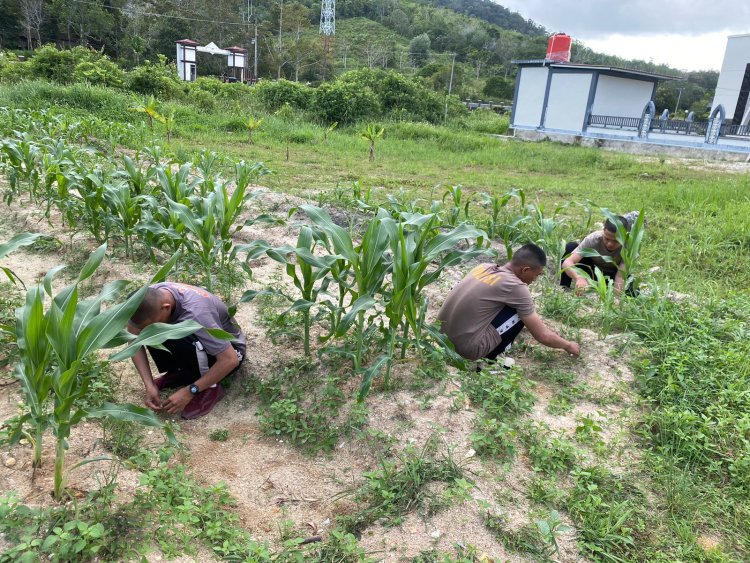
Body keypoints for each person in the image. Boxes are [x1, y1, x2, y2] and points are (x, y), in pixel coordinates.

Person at [437, 244, 580, 364]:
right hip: (465, 350)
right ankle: (490, 361)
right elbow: (542, 335)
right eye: (537, 275)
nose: (535, 279)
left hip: (439, 337)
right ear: (525, 270)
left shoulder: (484, 267)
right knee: (521, 313)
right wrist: (568, 345)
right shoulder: (515, 287)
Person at [128, 282, 246, 420]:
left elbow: (230, 360)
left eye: (152, 324)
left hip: (229, 351)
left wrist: (190, 391)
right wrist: (149, 384)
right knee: (153, 333)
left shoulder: (197, 314)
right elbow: (134, 340)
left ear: (166, 307)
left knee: (173, 334)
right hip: (198, 340)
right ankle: (181, 373)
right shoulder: (148, 299)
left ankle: (210, 387)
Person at [560, 213, 640, 294]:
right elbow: (567, 262)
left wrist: (616, 299)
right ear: (603, 231)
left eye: (615, 241)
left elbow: (620, 276)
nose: (610, 244)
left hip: (611, 275)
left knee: (633, 290)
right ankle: (564, 288)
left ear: (624, 236)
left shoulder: (629, 247)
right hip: (592, 270)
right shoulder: (593, 239)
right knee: (571, 247)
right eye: (607, 238)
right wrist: (579, 277)